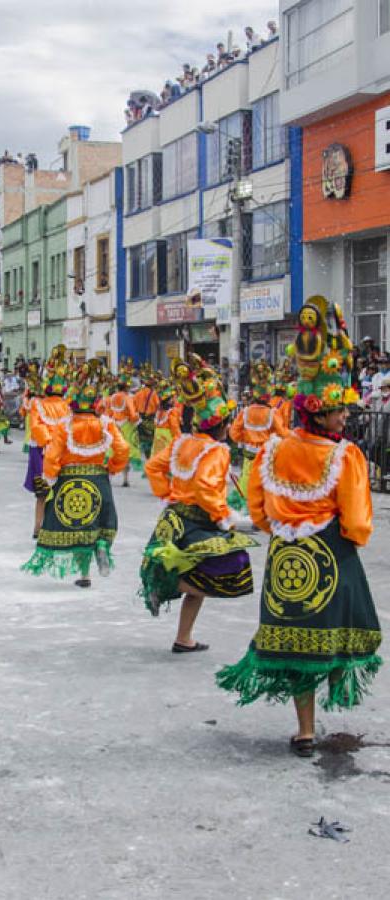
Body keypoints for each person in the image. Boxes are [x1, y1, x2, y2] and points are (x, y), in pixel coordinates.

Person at [217, 296, 382, 758]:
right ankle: (314, 720)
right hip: (331, 555)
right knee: (327, 639)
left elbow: (258, 505)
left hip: (286, 559)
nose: (346, 417)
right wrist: (348, 538)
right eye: (339, 411)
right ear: (319, 412)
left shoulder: (273, 450)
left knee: (294, 646)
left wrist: (281, 528)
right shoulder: (343, 456)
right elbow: (356, 521)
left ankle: (305, 728)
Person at [140, 356, 256, 649]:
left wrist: (167, 494)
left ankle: (184, 638)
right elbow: (205, 486)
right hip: (199, 522)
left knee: (202, 583)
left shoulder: (183, 443)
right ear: (222, 426)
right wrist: (223, 516)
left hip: (173, 519)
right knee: (235, 567)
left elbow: (153, 466)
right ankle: (165, 585)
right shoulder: (216, 451)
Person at [22, 360, 129, 588]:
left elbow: (51, 455)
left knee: (79, 525)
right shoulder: (106, 424)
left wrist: (50, 478)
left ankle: (84, 574)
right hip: (98, 478)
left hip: (70, 479)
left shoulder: (65, 426)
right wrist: (113, 467)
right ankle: (101, 547)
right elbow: (123, 448)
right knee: (100, 521)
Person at [24, 347, 71, 539]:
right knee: (60, 490)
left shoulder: (38, 404)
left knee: (42, 493)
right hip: (60, 452)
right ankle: (58, 527)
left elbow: (36, 427)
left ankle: (38, 527)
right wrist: (57, 445)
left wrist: (47, 442)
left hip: (41, 452)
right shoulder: (67, 406)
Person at [229, 361, 288, 504]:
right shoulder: (272, 413)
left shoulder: (245, 412)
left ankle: (248, 510)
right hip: (265, 457)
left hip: (249, 458)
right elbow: (283, 433)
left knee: (247, 483)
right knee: (265, 484)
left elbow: (234, 434)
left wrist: (246, 438)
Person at [109, 362, 141, 486]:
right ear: (127, 388)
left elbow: (107, 412)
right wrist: (137, 420)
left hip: (114, 425)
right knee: (127, 450)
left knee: (113, 450)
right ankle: (125, 478)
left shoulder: (112, 397)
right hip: (127, 426)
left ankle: (110, 476)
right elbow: (133, 414)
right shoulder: (128, 398)